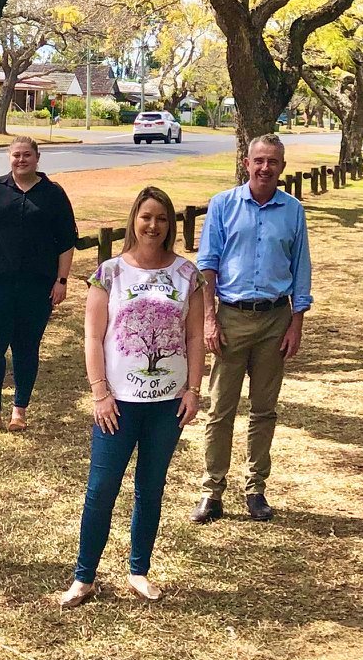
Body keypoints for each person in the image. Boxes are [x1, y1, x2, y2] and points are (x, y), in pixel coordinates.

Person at [59, 186, 204, 606]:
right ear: (133, 221)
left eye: (161, 218)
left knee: (150, 488)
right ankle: (83, 576)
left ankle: (138, 571)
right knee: (101, 488)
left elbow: (195, 335)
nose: (153, 226)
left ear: (170, 224)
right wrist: (100, 393)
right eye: (146, 217)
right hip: (117, 404)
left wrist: (194, 388)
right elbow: (92, 336)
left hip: (167, 405)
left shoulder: (187, 275)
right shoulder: (109, 273)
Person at [191, 133, 312, 523]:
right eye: (258, 160)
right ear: (247, 162)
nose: (264, 168)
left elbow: (301, 269)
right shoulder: (223, 205)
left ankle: (256, 489)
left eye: (272, 162)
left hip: (275, 319)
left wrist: (296, 323)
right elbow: (207, 264)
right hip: (230, 319)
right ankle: (213, 491)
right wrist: (209, 318)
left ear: (282, 167)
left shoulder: (292, 210)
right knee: (220, 409)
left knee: (263, 410)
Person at [0, 137, 80, 433]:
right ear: (9, 158)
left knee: (26, 349)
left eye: (27, 155)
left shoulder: (53, 194)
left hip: (36, 288)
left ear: (38, 158)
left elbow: (66, 241)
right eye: (16, 155)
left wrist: (61, 280)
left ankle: (19, 411)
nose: (21, 160)